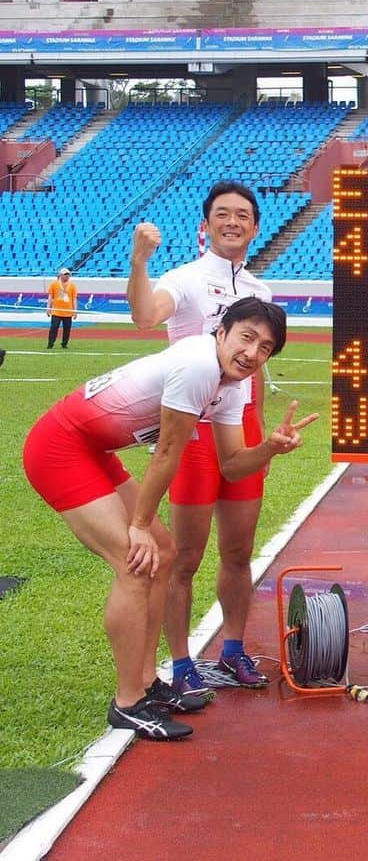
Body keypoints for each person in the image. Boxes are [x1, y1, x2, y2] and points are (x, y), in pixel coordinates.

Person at [23, 296, 316, 739]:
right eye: (247, 337)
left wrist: (270, 447)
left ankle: (146, 683)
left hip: (93, 449)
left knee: (164, 552)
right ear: (221, 332)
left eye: (266, 348)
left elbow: (233, 465)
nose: (253, 354)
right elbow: (168, 452)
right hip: (60, 447)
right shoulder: (199, 365)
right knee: (135, 562)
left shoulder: (232, 385)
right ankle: (127, 703)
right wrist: (138, 525)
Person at [127, 181, 276, 696]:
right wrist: (140, 261)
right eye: (222, 214)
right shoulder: (186, 279)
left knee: (239, 550)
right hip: (191, 429)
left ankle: (233, 648)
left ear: (256, 228)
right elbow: (146, 316)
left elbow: (256, 373)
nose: (232, 221)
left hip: (242, 423)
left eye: (242, 215)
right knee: (186, 556)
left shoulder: (262, 293)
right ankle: (183, 660)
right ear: (206, 225)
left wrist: (264, 441)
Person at [46, 267, 78, 349]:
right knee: (54, 327)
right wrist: (48, 308)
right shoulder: (54, 284)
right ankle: (50, 343)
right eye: (65, 275)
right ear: (60, 275)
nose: (67, 276)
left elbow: (74, 299)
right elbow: (50, 297)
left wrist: (75, 311)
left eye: (68, 275)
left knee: (67, 329)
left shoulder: (72, 286)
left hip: (68, 312)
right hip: (56, 311)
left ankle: (64, 344)